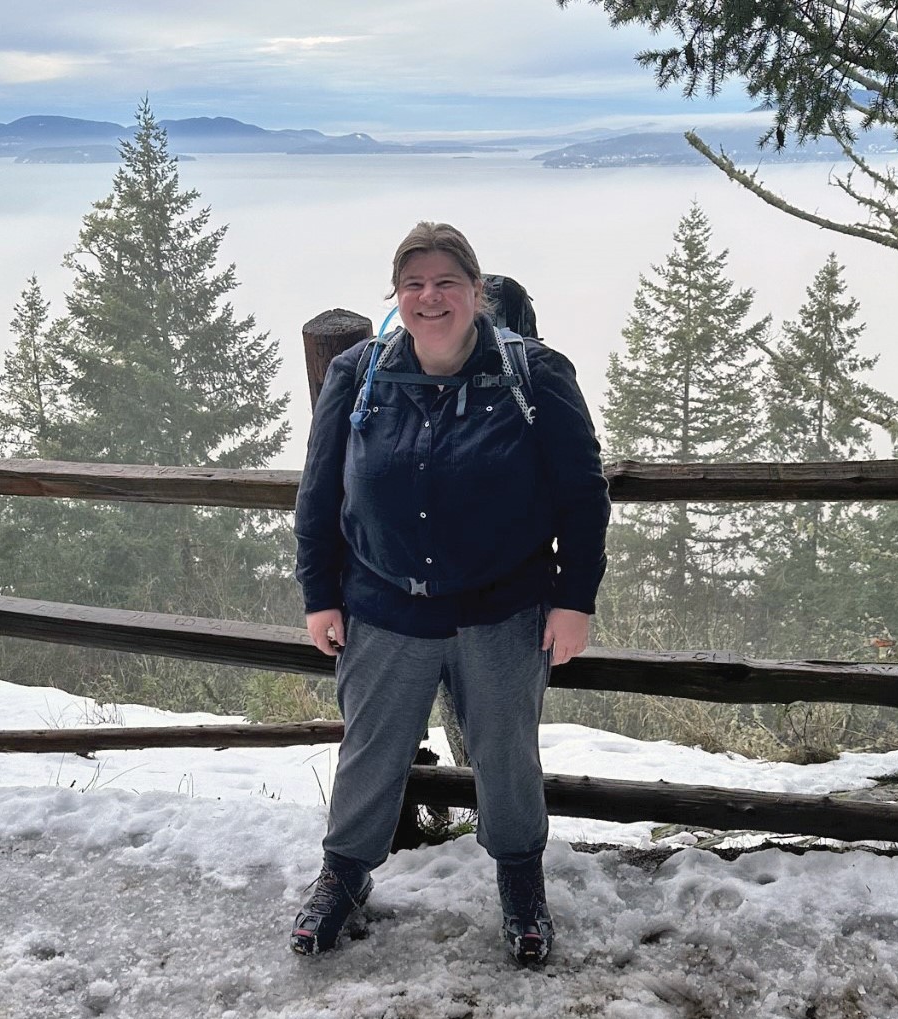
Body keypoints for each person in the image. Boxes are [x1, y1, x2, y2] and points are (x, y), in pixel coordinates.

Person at [290, 222, 610, 963]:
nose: (429, 297)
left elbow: (582, 495)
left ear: (476, 291)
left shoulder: (534, 374)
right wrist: (319, 593)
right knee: (371, 750)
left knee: (506, 753)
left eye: (446, 283)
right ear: (397, 295)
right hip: (383, 606)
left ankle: (521, 878)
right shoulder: (358, 374)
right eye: (414, 284)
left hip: (502, 608)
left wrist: (575, 599)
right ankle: (344, 873)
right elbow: (318, 494)